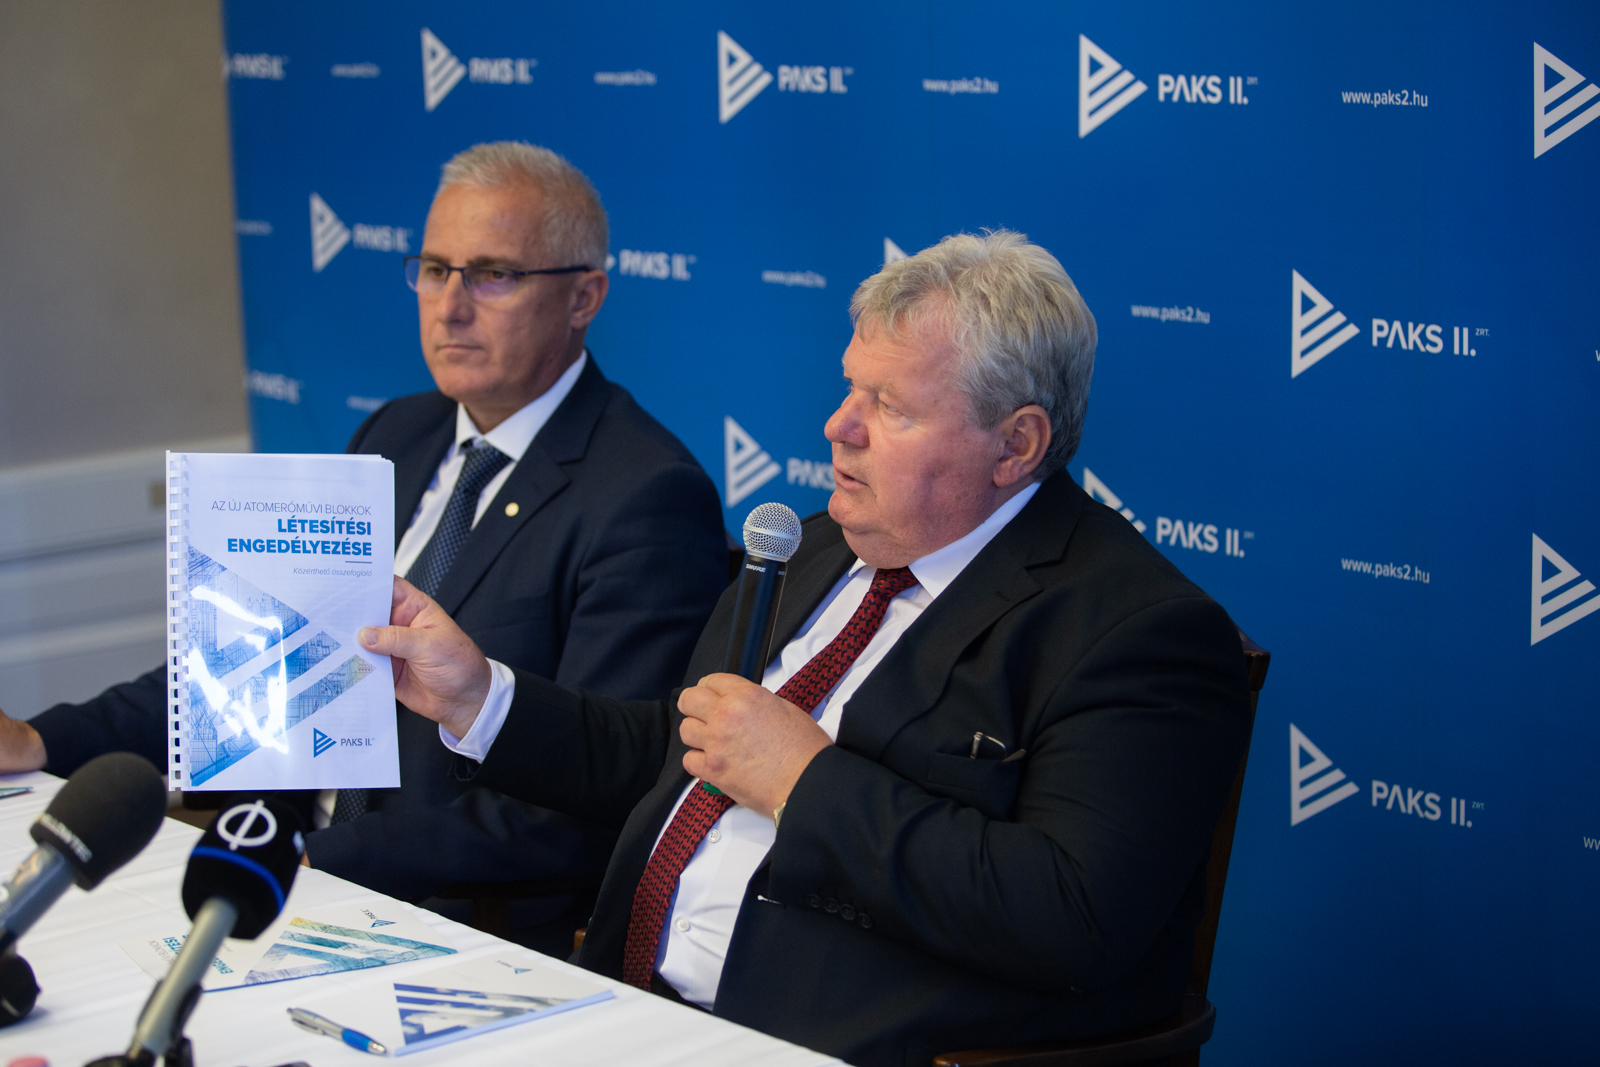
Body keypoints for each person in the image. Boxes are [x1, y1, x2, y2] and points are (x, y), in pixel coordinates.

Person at [360, 230, 1254, 1066]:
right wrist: (480, 697)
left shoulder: (1137, 633)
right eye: (850, 388)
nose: (839, 425)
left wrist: (803, 779)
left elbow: (1072, 915)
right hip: (622, 1009)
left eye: (889, 406)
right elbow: (679, 751)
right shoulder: (816, 548)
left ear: (1016, 444)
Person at [0, 142, 728, 952]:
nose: (450, 307)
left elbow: (598, 799)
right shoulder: (397, 432)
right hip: (280, 866)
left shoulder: (647, 495)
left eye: (493, 275)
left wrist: (316, 860)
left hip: (448, 923)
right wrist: (43, 740)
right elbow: (254, 661)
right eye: (435, 269)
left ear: (584, 296)